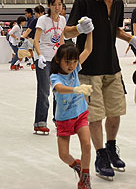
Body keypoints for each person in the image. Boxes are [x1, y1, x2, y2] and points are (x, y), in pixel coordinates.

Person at [64, 0, 136, 180]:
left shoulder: (118, 3)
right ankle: (100, 155)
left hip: (112, 66)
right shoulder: (85, 1)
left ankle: (111, 147)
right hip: (89, 69)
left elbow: (116, 29)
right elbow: (66, 32)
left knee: (116, 111)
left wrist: (133, 39)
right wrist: (78, 29)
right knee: (96, 115)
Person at [50, 33, 93, 189]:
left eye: (75, 62)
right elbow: (60, 89)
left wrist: (90, 31)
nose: (72, 65)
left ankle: (85, 178)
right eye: (68, 62)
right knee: (63, 155)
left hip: (81, 114)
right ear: (58, 60)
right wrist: (75, 89)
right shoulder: (55, 77)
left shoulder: (75, 69)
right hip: (64, 119)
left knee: (87, 145)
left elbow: (88, 49)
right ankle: (76, 165)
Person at [33, 0, 66, 134]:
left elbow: (62, 40)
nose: (57, 7)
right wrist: (39, 55)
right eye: (54, 4)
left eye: (59, 4)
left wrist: (64, 57)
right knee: (44, 90)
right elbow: (36, 40)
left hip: (56, 60)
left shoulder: (63, 20)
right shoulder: (43, 20)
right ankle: (40, 122)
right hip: (43, 59)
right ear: (49, 5)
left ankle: (58, 119)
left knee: (58, 90)